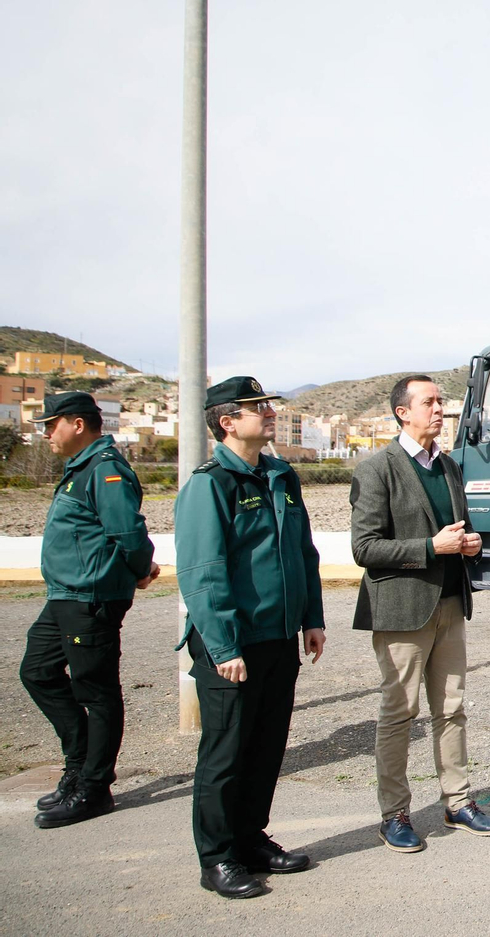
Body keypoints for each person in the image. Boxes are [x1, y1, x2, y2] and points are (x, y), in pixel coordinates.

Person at [175, 376, 326, 899]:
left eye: (267, 405)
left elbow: (303, 552)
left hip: (279, 637)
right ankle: (217, 857)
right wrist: (223, 646)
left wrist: (311, 617)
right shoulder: (210, 483)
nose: (268, 413)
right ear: (226, 421)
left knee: (265, 746)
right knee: (226, 752)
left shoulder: (281, 475)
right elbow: (202, 572)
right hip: (233, 643)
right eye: (255, 407)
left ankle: (250, 838)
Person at [350, 375, 490, 853]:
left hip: (450, 603)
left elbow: (460, 529)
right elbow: (364, 547)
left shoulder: (450, 466)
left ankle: (457, 803)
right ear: (403, 412)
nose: (440, 409)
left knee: (452, 709)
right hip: (401, 610)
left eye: (441, 401)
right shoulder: (378, 469)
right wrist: (429, 547)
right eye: (430, 402)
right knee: (399, 713)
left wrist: (471, 543)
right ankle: (394, 814)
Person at [20, 392, 157, 829]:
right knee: (37, 671)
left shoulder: (105, 470)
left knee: (95, 691)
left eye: (50, 424)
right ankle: (79, 765)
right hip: (65, 594)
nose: (45, 433)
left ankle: (94, 789)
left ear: (77, 424)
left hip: (90, 597)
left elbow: (129, 533)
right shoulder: (81, 469)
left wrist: (138, 571)